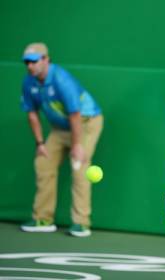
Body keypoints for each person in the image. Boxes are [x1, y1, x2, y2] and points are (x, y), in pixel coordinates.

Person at [19, 42, 103, 237]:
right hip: (60, 128)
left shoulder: (61, 79)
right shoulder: (28, 82)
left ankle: (81, 223)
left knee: (79, 166)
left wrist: (77, 146)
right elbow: (32, 114)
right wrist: (40, 143)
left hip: (86, 123)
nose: (30, 66)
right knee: (43, 162)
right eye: (26, 62)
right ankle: (43, 219)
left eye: (33, 61)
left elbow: (75, 114)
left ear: (46, 59)